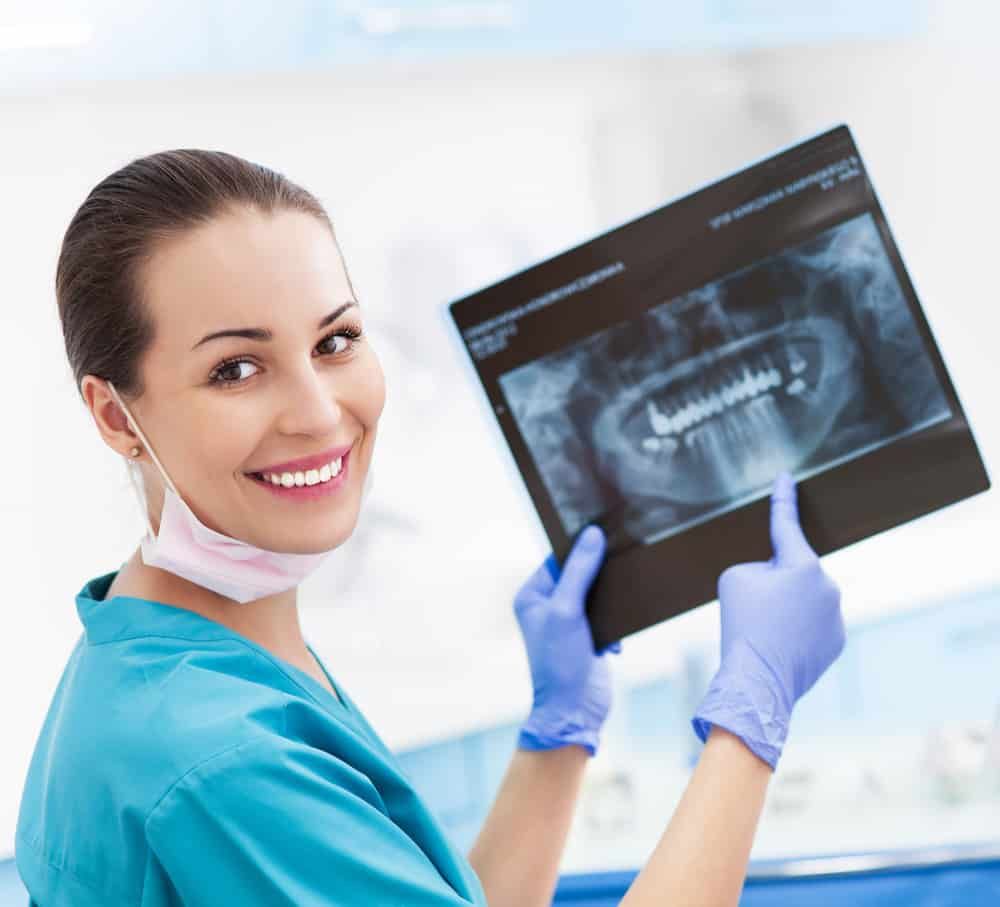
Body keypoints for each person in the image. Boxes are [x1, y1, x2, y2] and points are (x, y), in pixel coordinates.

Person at [15, 150, 845, 907]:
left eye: (336, 340)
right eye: (236, 368)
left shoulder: (162, 650)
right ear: (115, 416)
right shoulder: (221, 756)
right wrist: (753, 714)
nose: (319, 413)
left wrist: (559, 730)